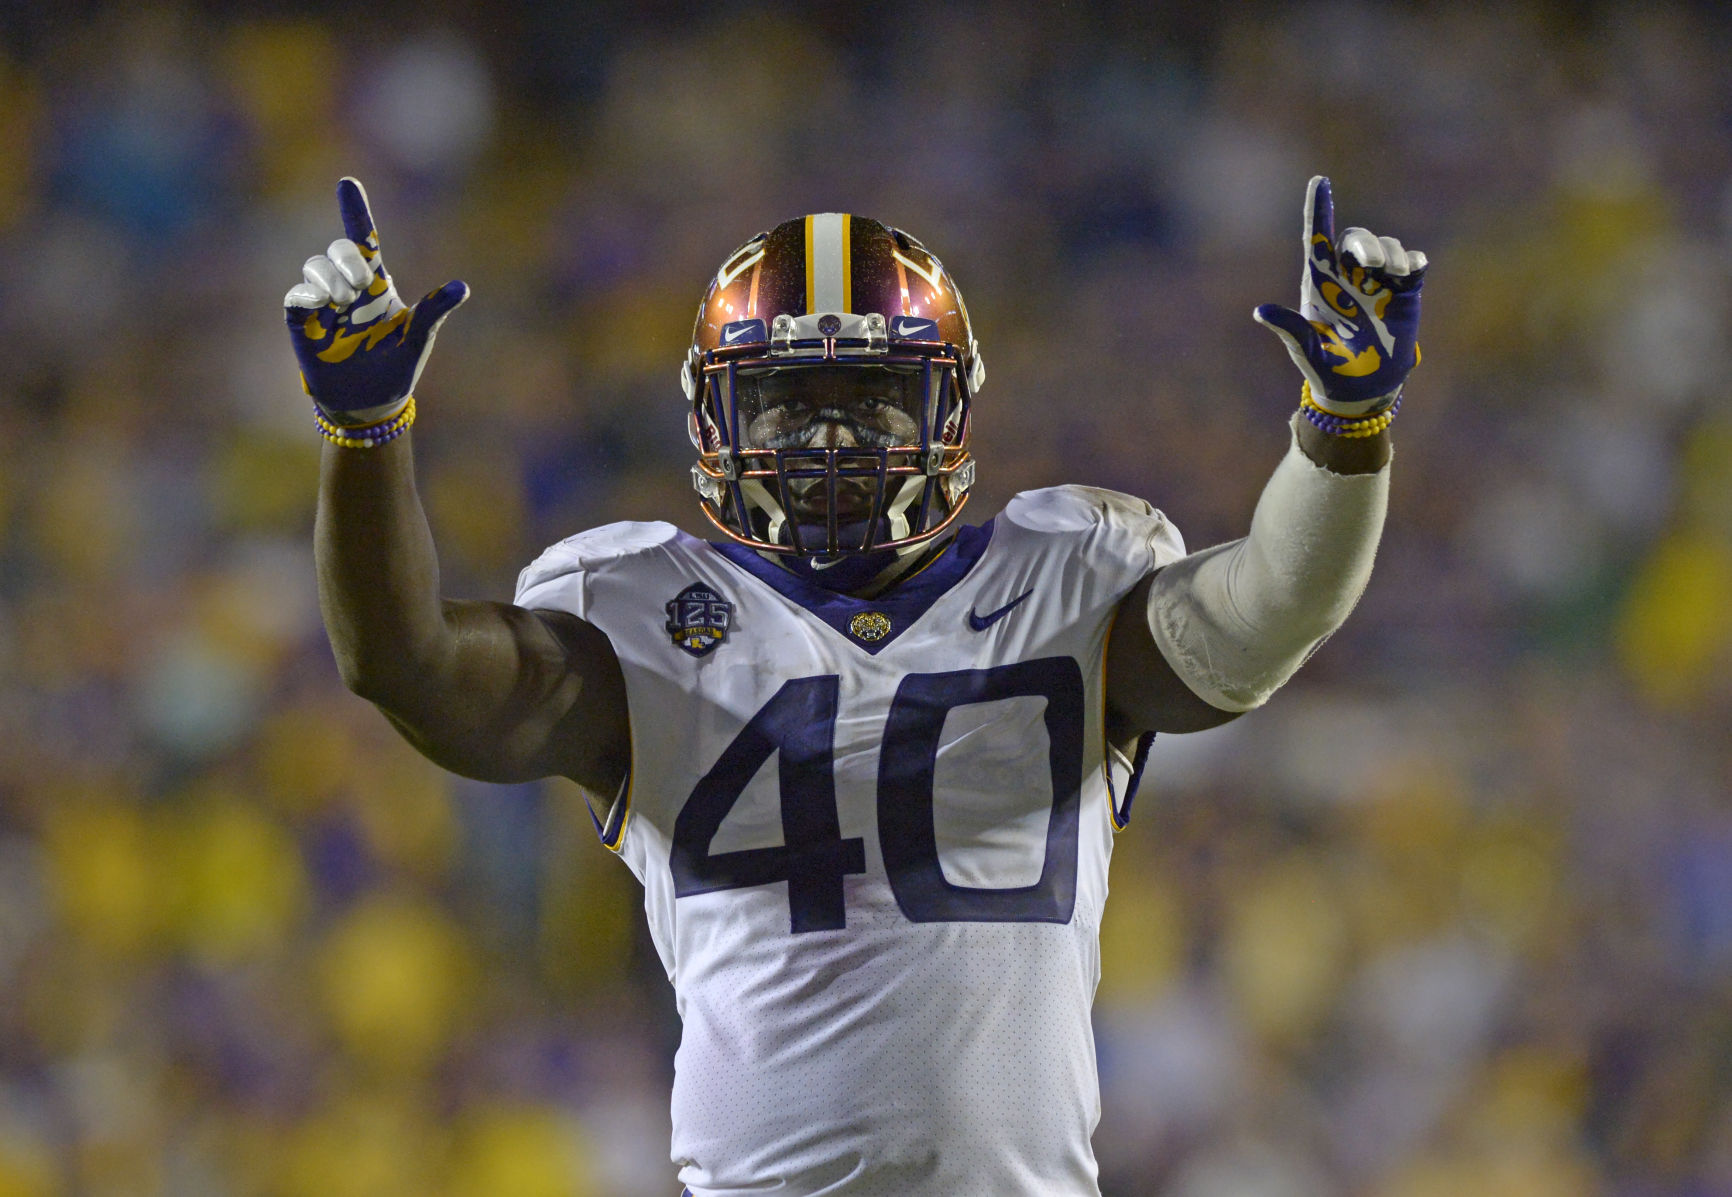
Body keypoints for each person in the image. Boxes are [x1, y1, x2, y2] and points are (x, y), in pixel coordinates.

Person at [283, 175, 1425, 1196]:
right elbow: (407, 668)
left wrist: (1341, 431)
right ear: (715, 413)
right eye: (787, 399)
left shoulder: (1067, 580)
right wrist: (366, 432)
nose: (830, 433)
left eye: (871, 393)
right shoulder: (632, 609)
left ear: (948, 408)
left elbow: (1259, 618)